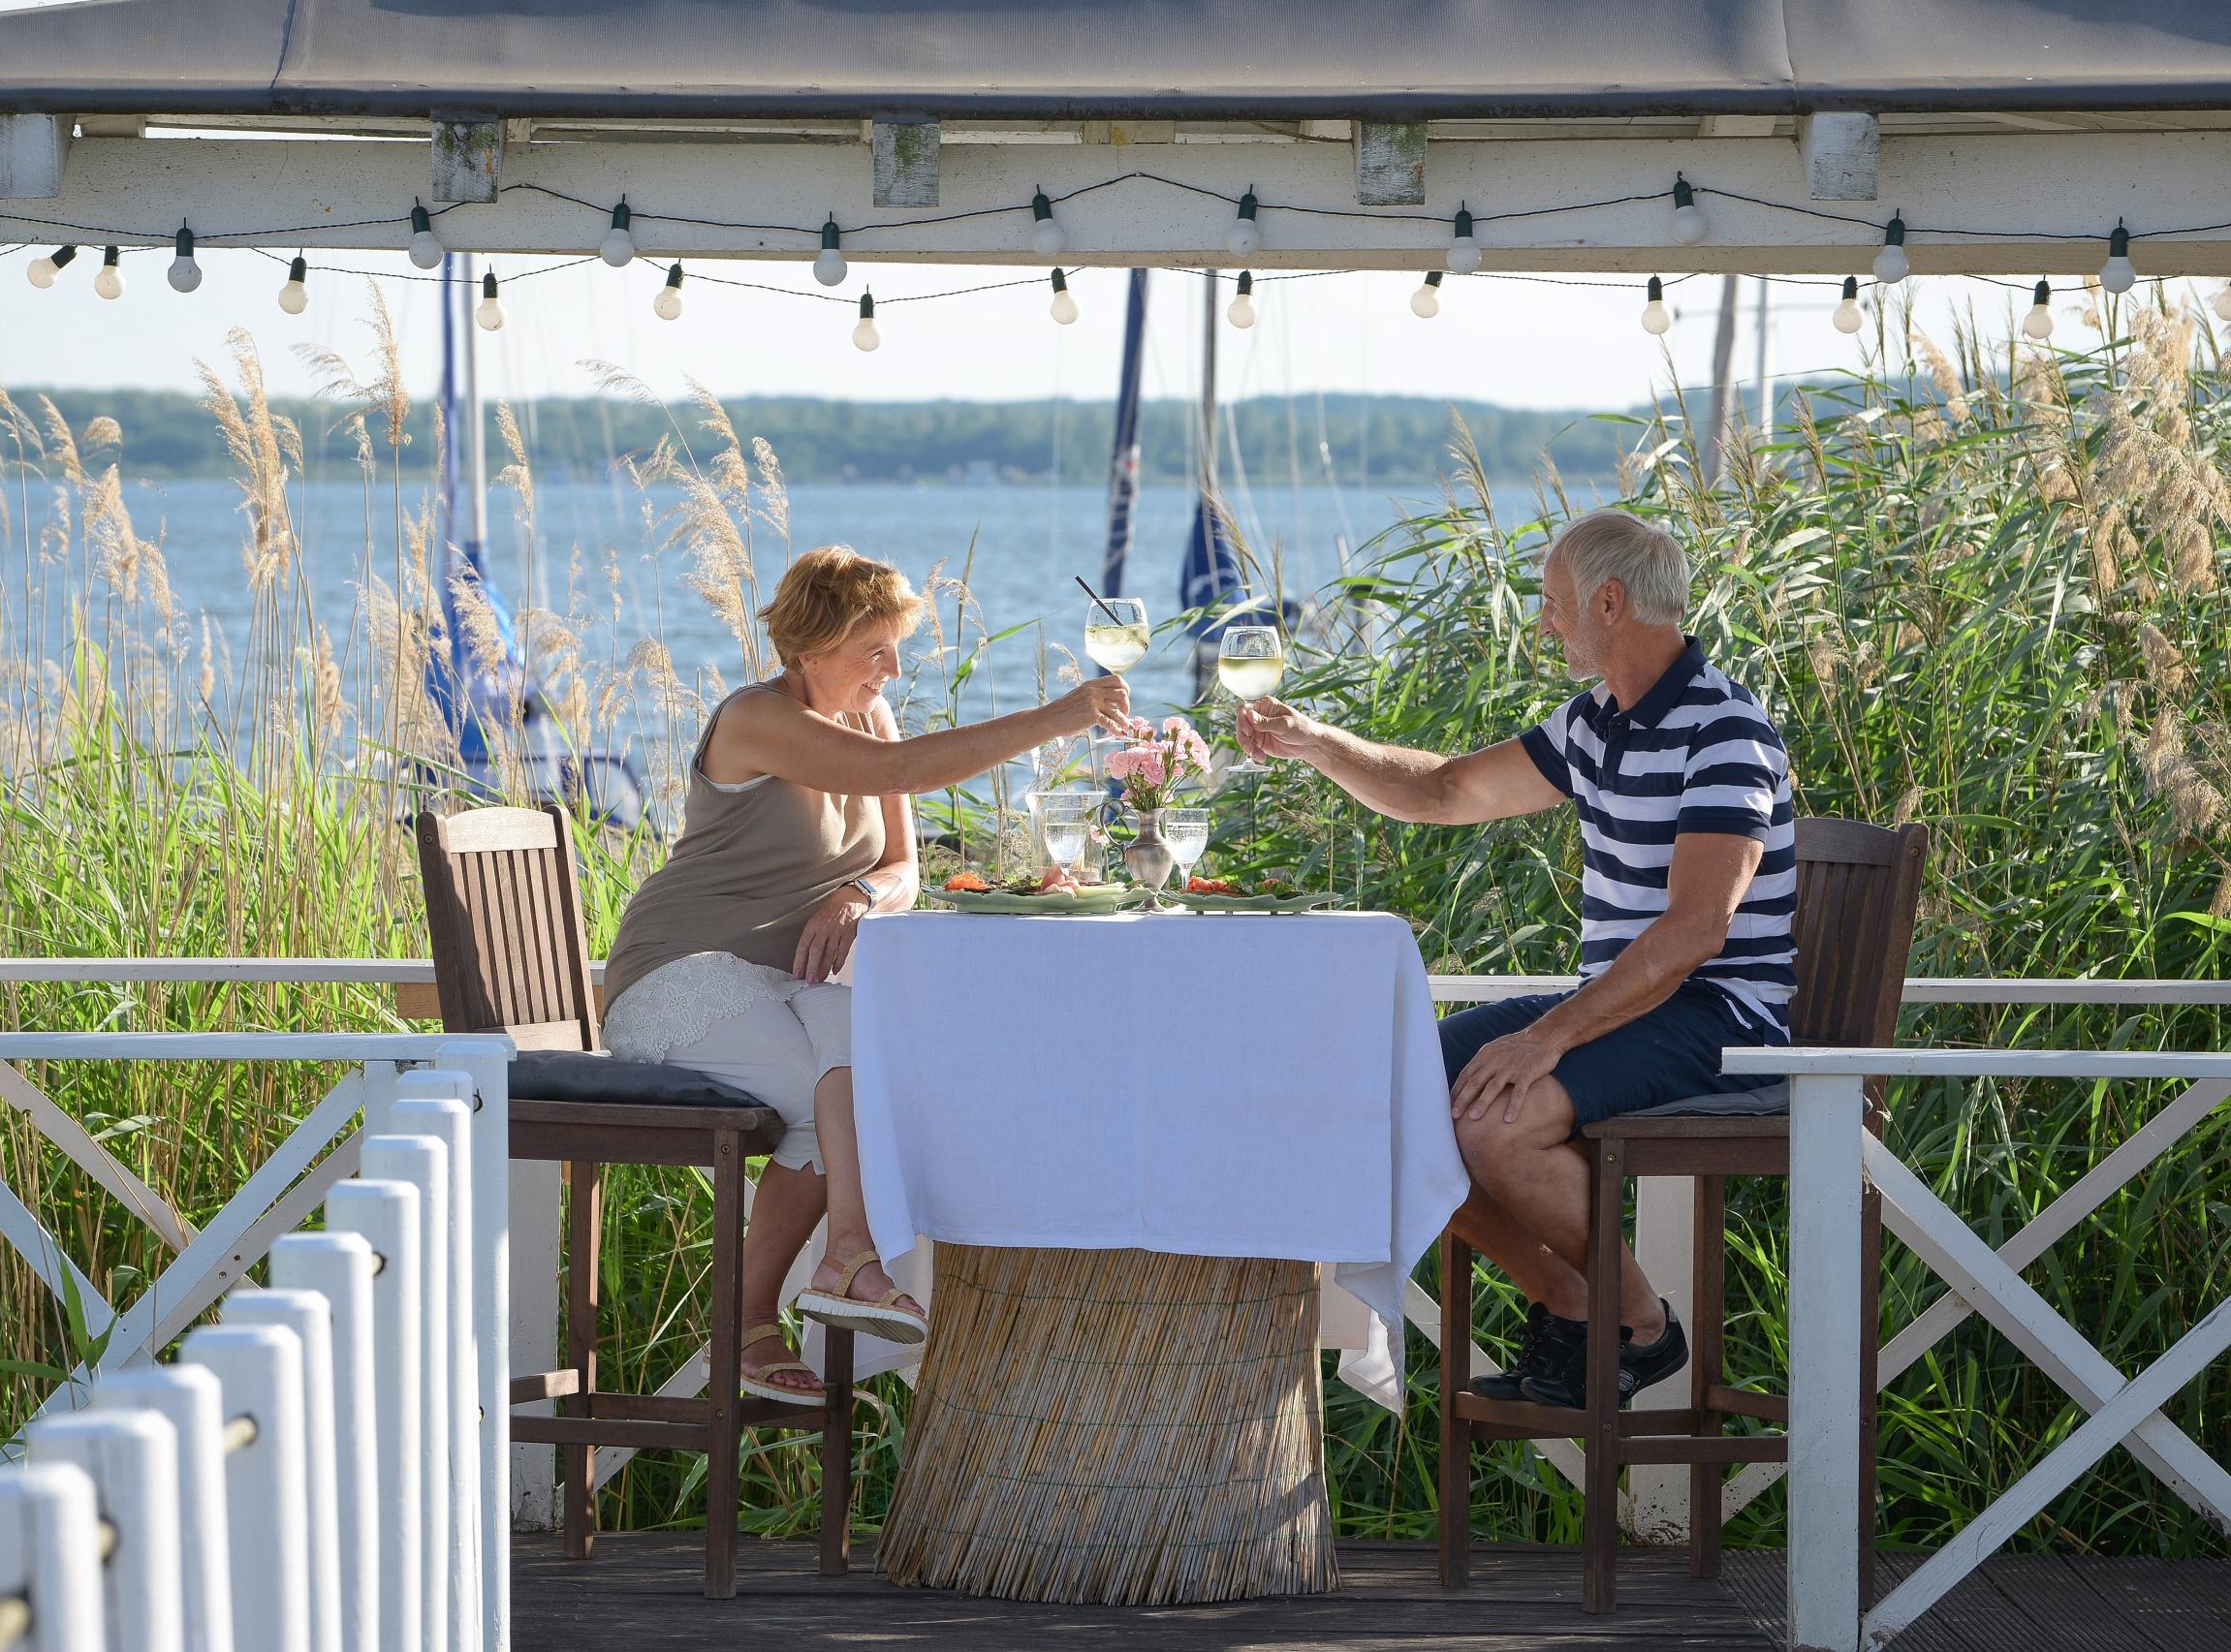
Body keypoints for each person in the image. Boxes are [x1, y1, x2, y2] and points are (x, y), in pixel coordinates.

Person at [1236, 509, 1795, 1409]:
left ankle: (1644, 1328)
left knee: (1493, 1121)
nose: (1544, 622)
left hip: (1718, 1015)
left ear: (1608, 603)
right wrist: (1320, 745)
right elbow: (1446, 790)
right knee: (1387, 1096)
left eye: (1553, 602)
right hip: (1629, 1002)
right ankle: (1574, 1302)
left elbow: (1697, 933)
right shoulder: (1597, 723)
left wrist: (1545, 1040)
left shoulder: (1725, 732)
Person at [601, 545, 1135, 1405]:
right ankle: (836, 1271)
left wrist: (857, 892)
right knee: (838, 1093)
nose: (892, 671)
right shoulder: (753, 720)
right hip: (677, 976)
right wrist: (1061, 714)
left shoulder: (869, 717)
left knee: (864, 1062)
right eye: (873, 651)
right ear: (810, 648)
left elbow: (904, 866)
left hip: (781, 990)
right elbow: (905, 775)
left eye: (896, 649)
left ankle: (792, 1297)